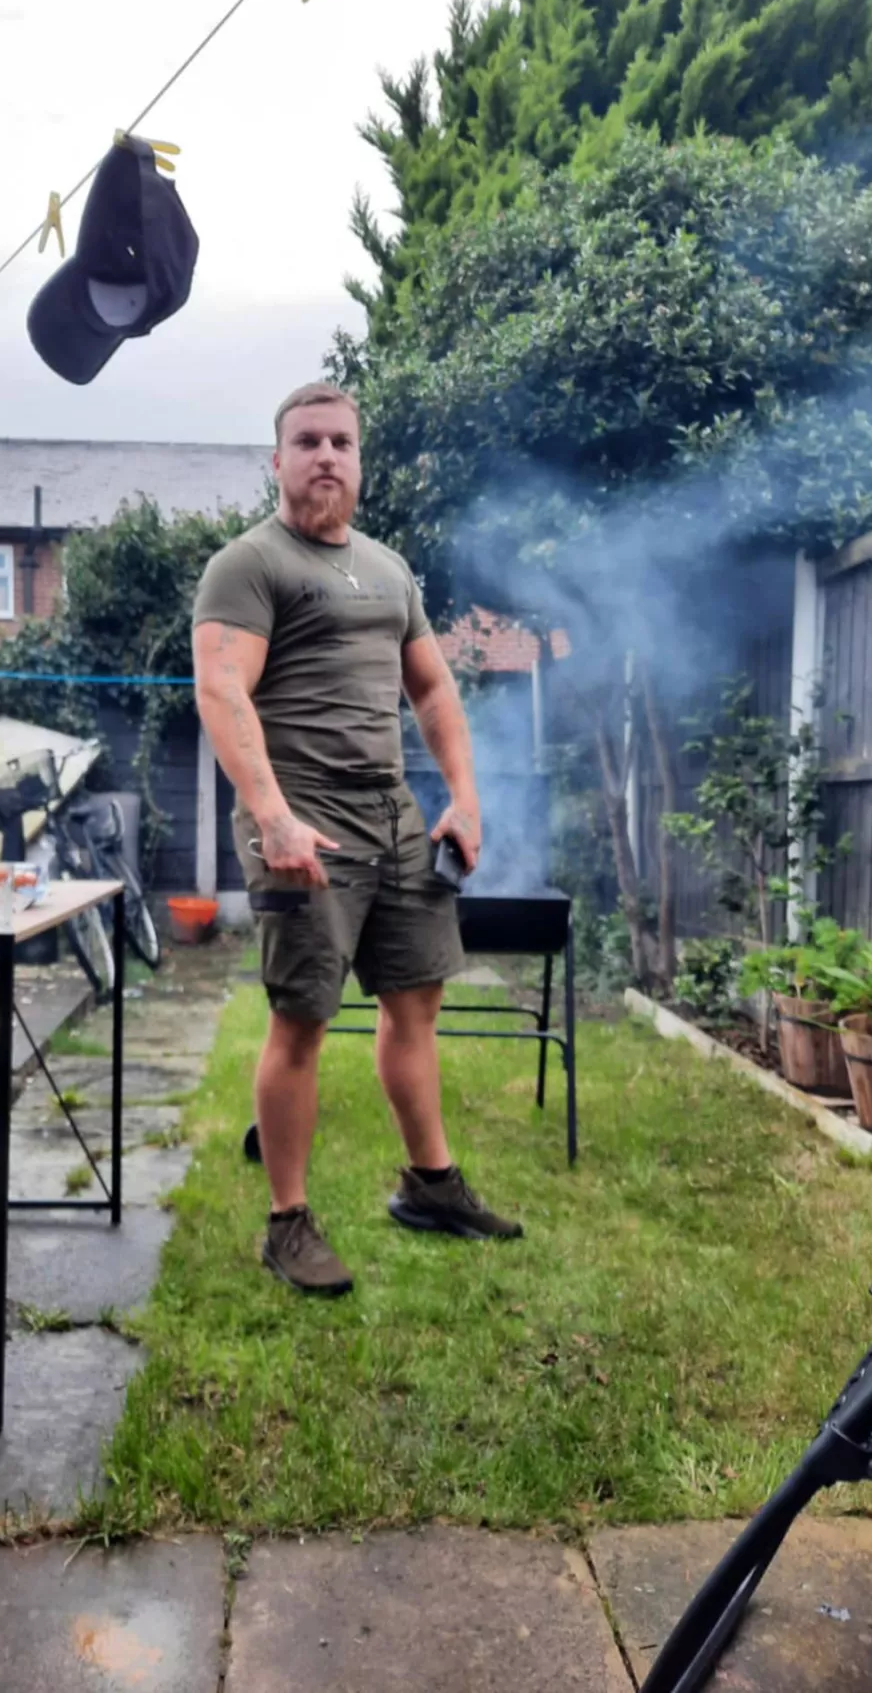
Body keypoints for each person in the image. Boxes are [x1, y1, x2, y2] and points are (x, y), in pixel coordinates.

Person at [192, 382, 523, 1296]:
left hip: (393, 814)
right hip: (301, 815)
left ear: (360, 459)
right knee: (301, 1018)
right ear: (278, 460)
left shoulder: (388, 568)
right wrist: (272, 816)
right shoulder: (247, 564)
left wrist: (464, 798)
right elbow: (221, 690)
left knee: (415, 1001)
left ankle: (430, 1185)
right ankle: (287, 1222)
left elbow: (434, 689)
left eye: (341, 441)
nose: (326, 455)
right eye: (307, 441)